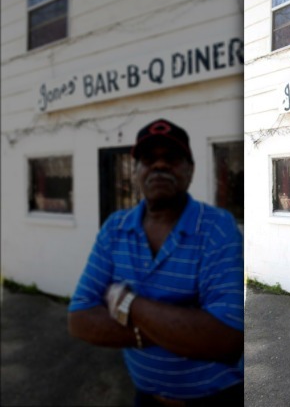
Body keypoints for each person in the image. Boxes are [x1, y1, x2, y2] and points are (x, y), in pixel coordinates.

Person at [68, 119, 244, 406]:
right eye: (148, 159)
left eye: (171, 158)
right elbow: (79, 319)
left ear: (190, 170)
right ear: (135, 171)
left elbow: (225, 339)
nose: (159, 166)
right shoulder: (115, 228)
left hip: (218, 397)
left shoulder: (217, 227)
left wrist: (126, 303)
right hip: (146, 397)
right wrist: (178, 329)